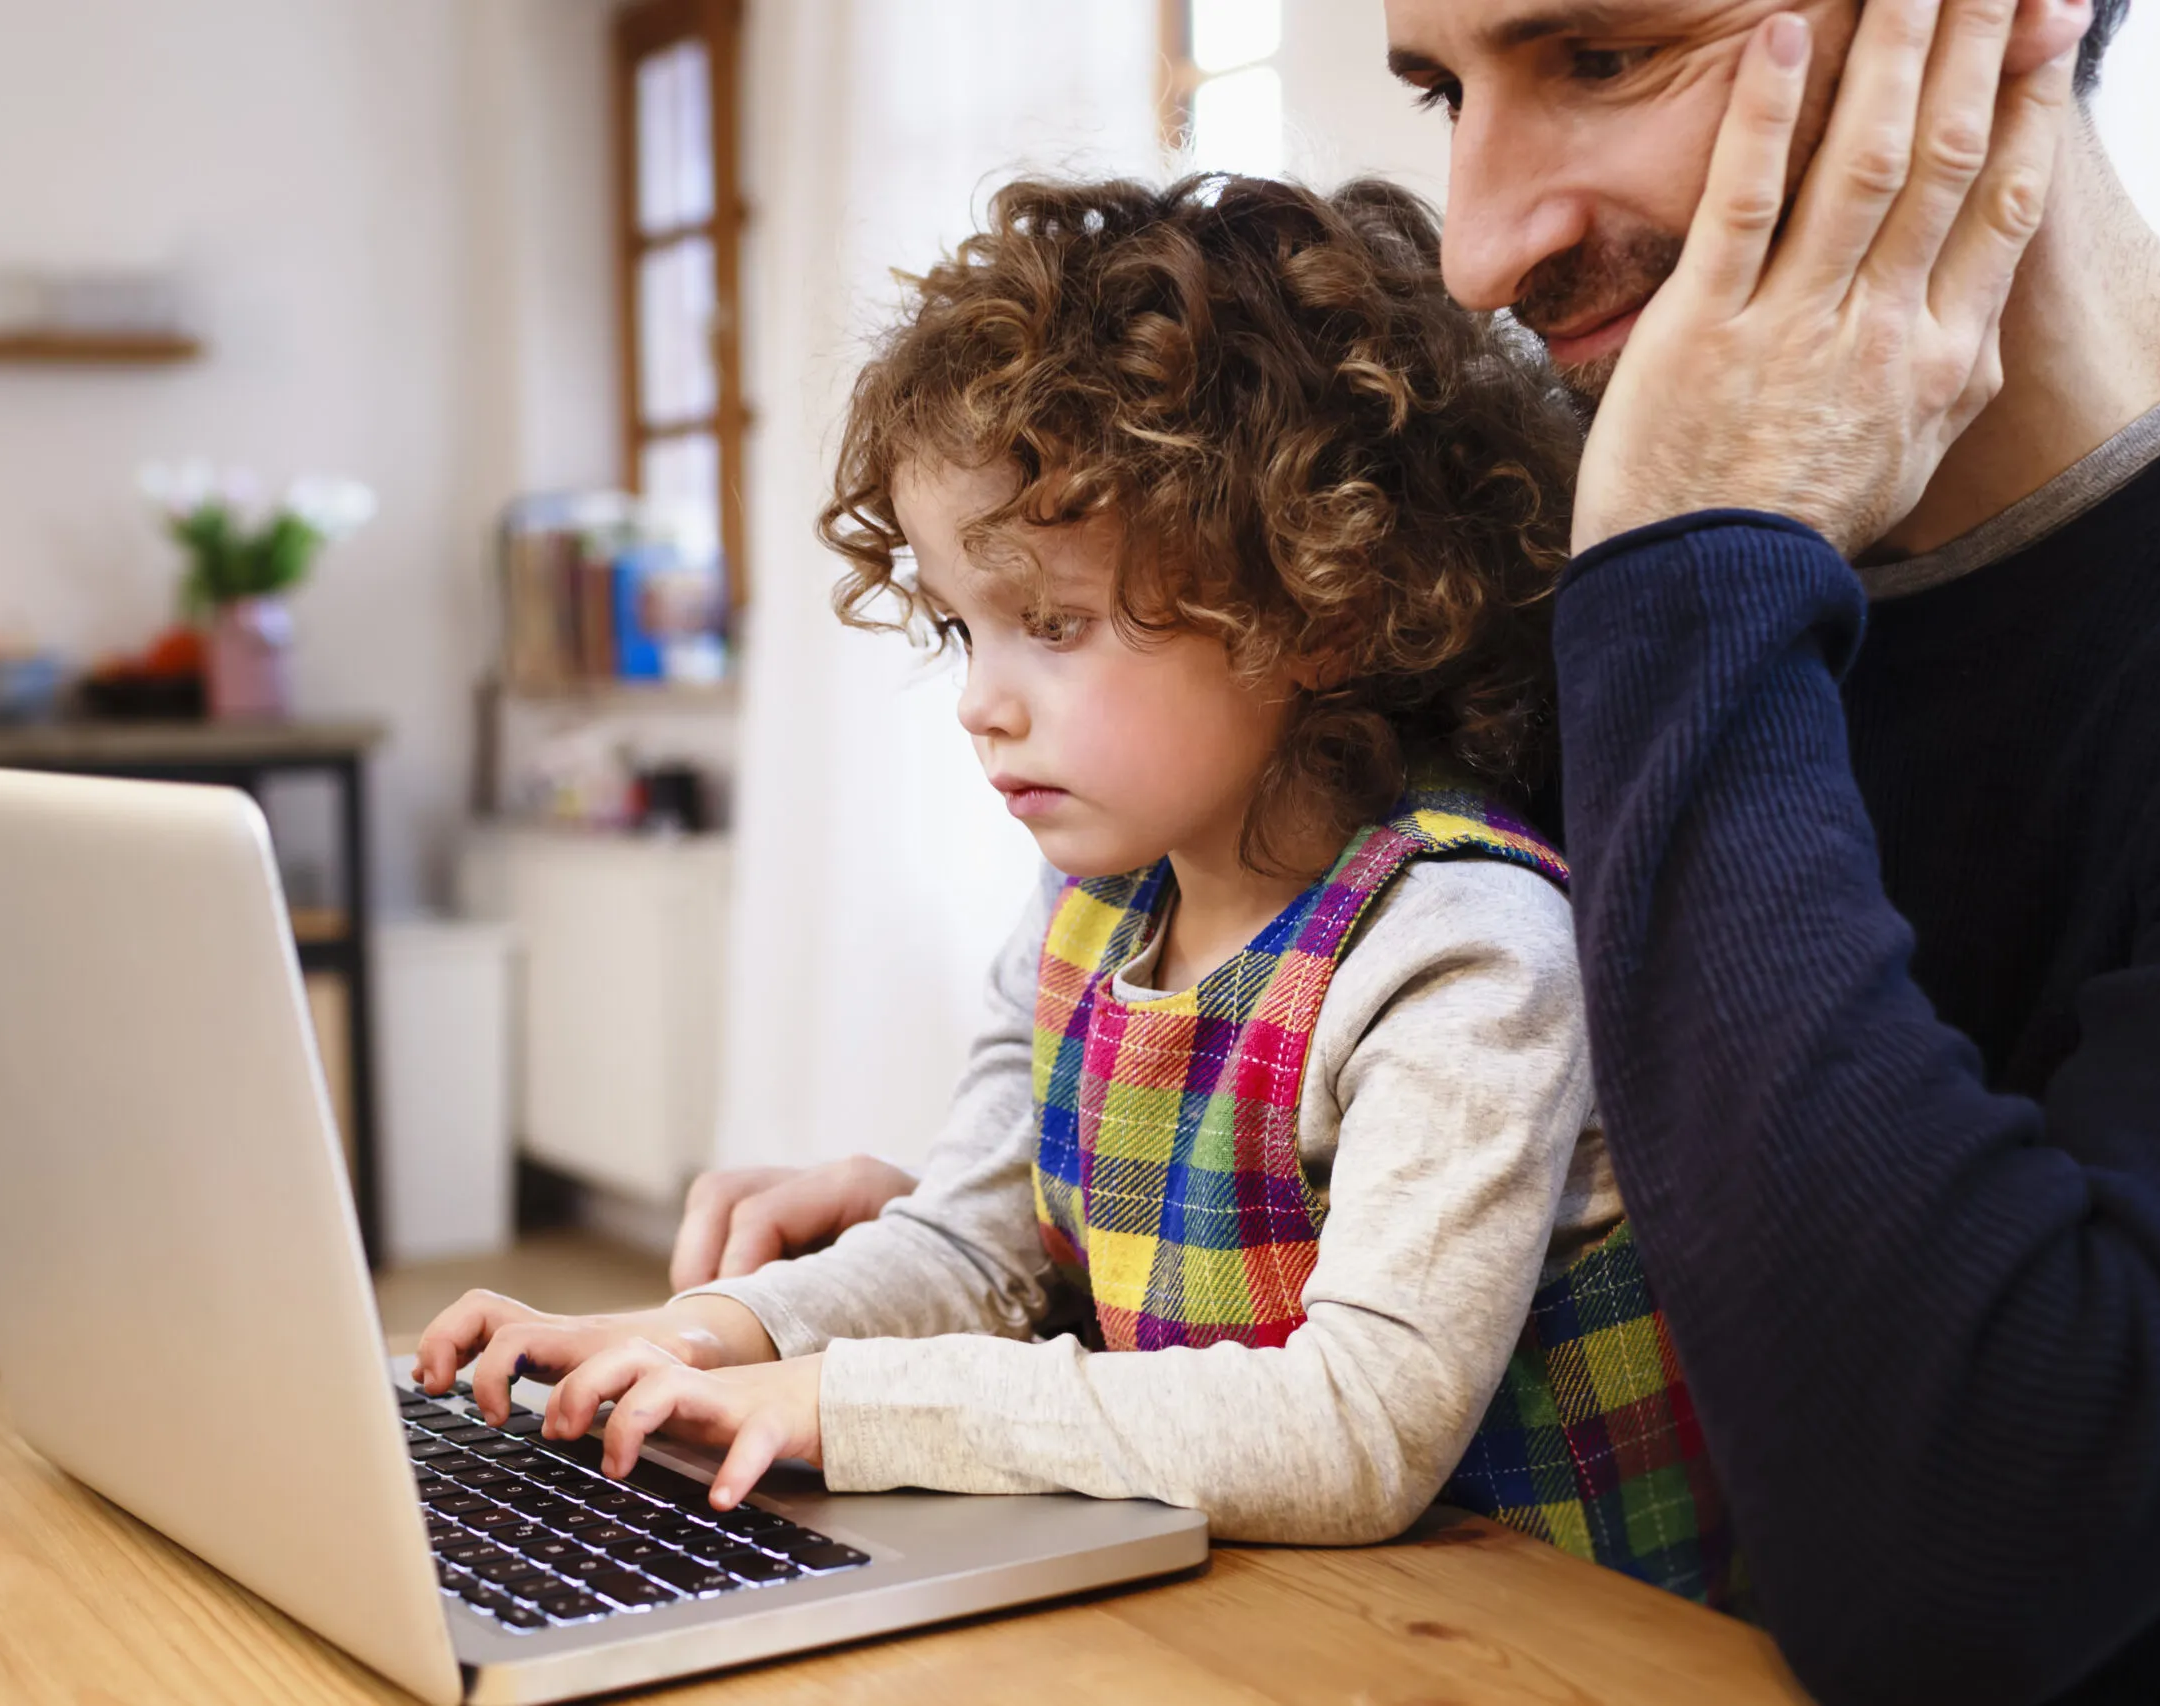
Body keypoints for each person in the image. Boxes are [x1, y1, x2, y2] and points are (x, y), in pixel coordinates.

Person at [677, 1, 2160, 1700]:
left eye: (1605, 56)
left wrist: (1700, 570)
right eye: (1441, 86)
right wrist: (1036, 1252)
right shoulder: (1519, 572)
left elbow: (1968, 1567)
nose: (1480, 254)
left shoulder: (1649, 576)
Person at [419, 174, 1745, 1597]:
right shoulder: (1092, 909)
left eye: (1051, 621)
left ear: (1320, 601)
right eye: (961, 625)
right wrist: (705, 1337)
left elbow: (1361, 1426)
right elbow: (973, 1245)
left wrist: (847, 1406)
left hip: (1522, 1644)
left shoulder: (1464, 950)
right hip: (1255, 1612)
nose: (981, 703)